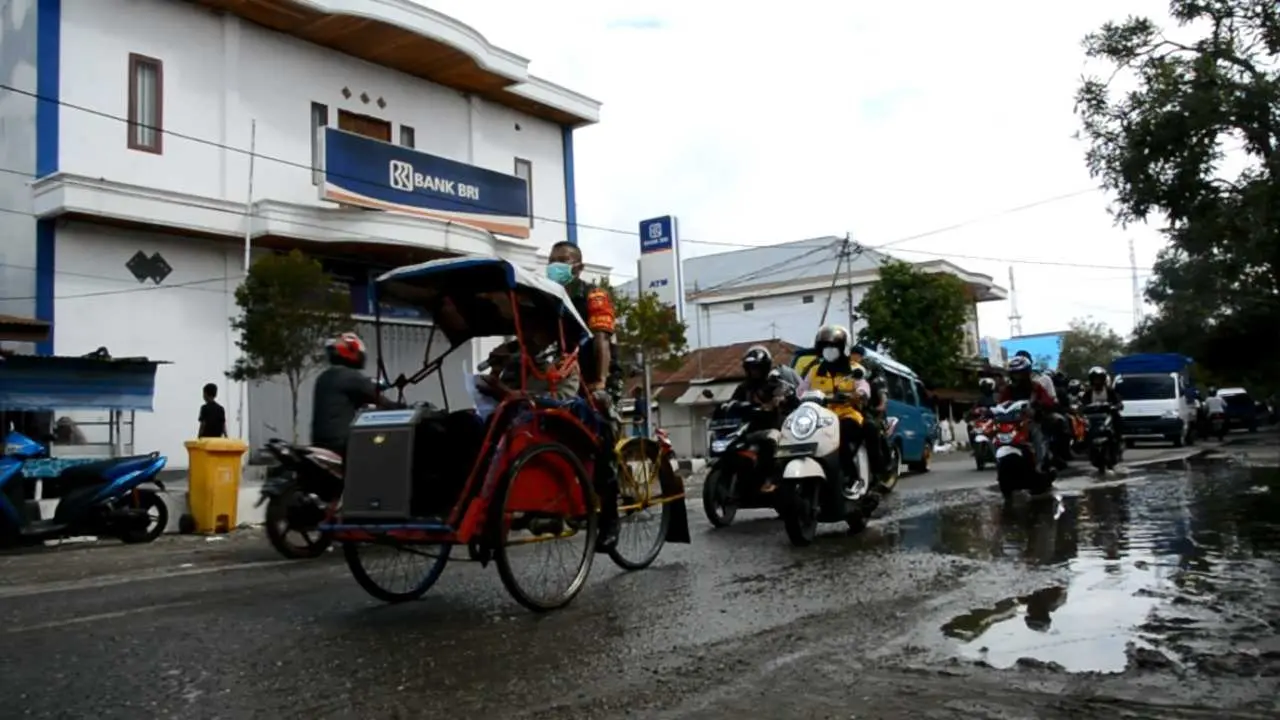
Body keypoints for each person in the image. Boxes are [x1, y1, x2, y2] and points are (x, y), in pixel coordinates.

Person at [546, 241, 621, 551]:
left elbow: (601, 341)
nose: (557, 265)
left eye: (564, 260)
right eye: (553, 260)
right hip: (561, 377)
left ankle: (611, 519)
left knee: (599, 438)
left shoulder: (594, 295)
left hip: (595, 376)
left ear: (579, 266)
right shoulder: (548, 296)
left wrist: (601, 382)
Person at [310, 332, 400, 456]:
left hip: (319, 442)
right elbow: (382, 401)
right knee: (382, 454)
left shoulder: (324, 377)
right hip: (341, 444)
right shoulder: (351, 377)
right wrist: (403, 408)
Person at [799, 325, 868, 482]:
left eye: (834, 346)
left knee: (841, 438)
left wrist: (858, 394)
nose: (829, 350)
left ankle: (852, 477)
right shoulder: (815, 370)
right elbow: (801, 390)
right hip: (818, 418)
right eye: (826, 346)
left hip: (846, 415)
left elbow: (863, 387)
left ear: (843, 348)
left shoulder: (854, 369)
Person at [997, 355, 1057, 473]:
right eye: (1014, 374)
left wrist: (1040, 404)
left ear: (1026, 373)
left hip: (1030, 421)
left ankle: (1040, 463)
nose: (1017, 377)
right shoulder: (1008, 389)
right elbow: (1000, 403)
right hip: (1012, 423)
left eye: (1019, 374)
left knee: (1037, 435)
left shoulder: (1035, 387)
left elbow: (1048, 400)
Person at [1084, 366, 1124, 449]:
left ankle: (1118, 440)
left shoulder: (1109, 391)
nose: (1097, 381)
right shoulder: (1088, 392)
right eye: (1095, 379)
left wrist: (1117, 406)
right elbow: (1082, 403)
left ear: (1103, 379)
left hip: (1107, 415)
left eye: (1099, 378)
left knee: (1117, 418)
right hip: (1092, 417)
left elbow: (1117, 401)